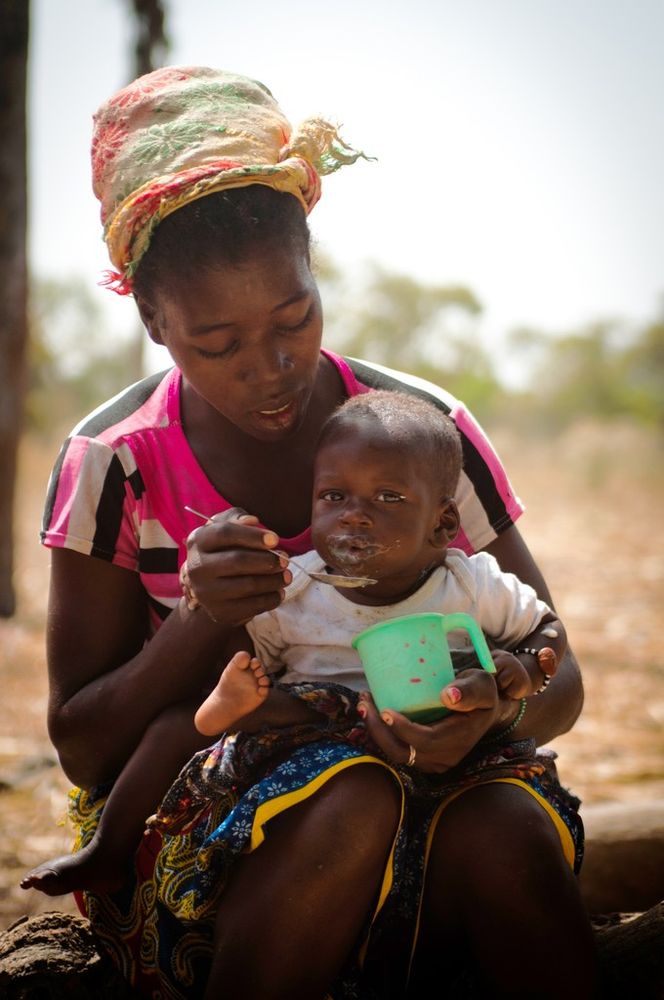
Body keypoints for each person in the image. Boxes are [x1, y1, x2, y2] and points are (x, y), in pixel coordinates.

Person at [26, 65, 597, 998]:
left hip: (443, 792)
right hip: (212, 832)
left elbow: (559, 680)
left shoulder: (423, 432)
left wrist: (488, 713)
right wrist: (202, 620)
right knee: (348, 797)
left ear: (314, 274)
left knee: (503, 829)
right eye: (218, 345)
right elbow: (86, 749)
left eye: (295, 317)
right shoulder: (113, 464)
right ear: (151, 317)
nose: (273, 368)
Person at [21, 391, 563, 898]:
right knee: (180, 724)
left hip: (431, 719)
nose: (354, 513)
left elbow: (545, 629)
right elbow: (248, 658)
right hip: (313, 727)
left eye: (388, 497)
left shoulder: (471, 584)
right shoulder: (295, 589)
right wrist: (217, 621)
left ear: (444, 523)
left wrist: (522, 671)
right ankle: (109, 849)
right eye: (334, 496)